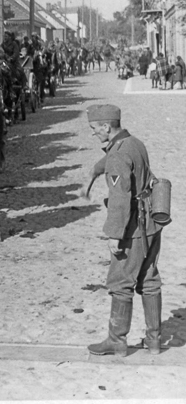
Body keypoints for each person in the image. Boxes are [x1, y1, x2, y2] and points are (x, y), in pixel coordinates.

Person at [80, 104, 163, 357]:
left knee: (121, 282)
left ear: (106, 127)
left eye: (94, 128)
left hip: (132, 229)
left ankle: (117, 341)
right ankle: (154, 341)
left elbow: (119, 198)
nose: (93, 133)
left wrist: (114, 235)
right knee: (149, 280)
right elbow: (113, 159)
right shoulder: (134, 143)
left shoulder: (118, 154)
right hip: (151, 224)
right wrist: (93, 173)